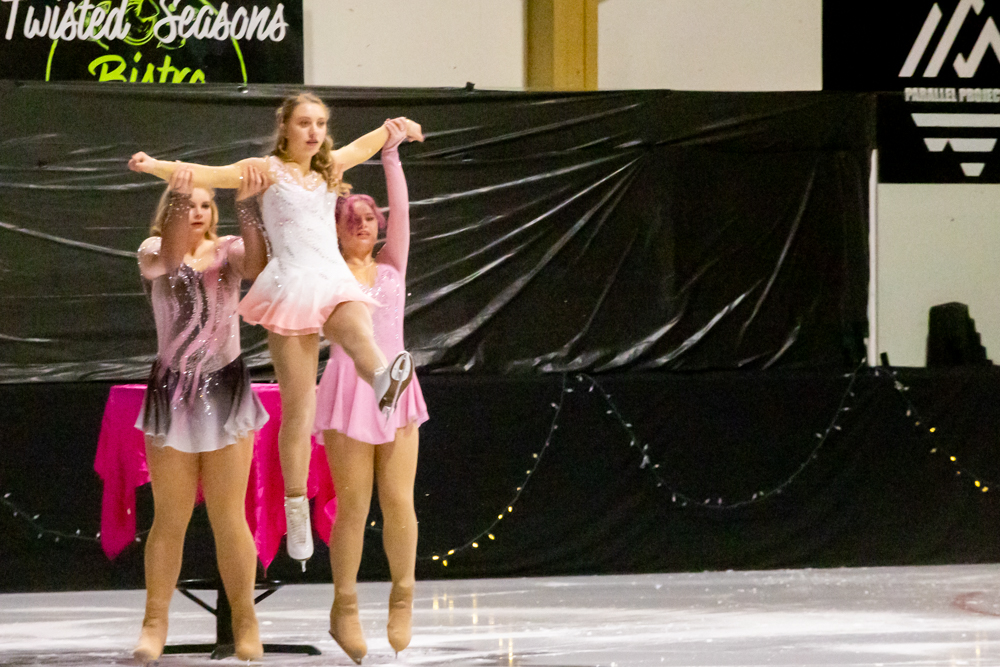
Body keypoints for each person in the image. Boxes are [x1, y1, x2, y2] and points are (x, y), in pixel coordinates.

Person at [127, 93, 423, 568]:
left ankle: (384, 381)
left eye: (320, 124)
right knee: (300, 409)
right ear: (285, 127)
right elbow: (209, 174)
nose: (314, 132)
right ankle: (296, 504)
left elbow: (363, 146)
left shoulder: (329, 170)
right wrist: (156, 166)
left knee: (356, 324)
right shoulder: (264, 169)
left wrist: (397, 128)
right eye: (304, 123)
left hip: (330, 278)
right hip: (290, 285)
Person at [132, 166, 270, 663]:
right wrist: (177, 193)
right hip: (172, 393)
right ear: (171, 208)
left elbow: (257, 265)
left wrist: (248, 205)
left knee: (229, 516)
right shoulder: (152, 250)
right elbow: (170, 260)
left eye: (205, 205)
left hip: (224, 389)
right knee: (169, 517)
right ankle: (155, 623)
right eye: (189, 204)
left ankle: (246, 623)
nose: (198, 211)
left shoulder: (228, 250)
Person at [315, 119, 427, 663]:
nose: (361, 222)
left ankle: (403, 596)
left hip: (397, 385)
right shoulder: (326, 272)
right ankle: (345, 605)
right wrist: (324, 182)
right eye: (350, 218)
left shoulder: (391, 266)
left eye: (367, 217)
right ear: (335, 229)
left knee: (399, 499)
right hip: (347, 389)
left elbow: (401, 212)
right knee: (354, 505)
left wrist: (391, 154)